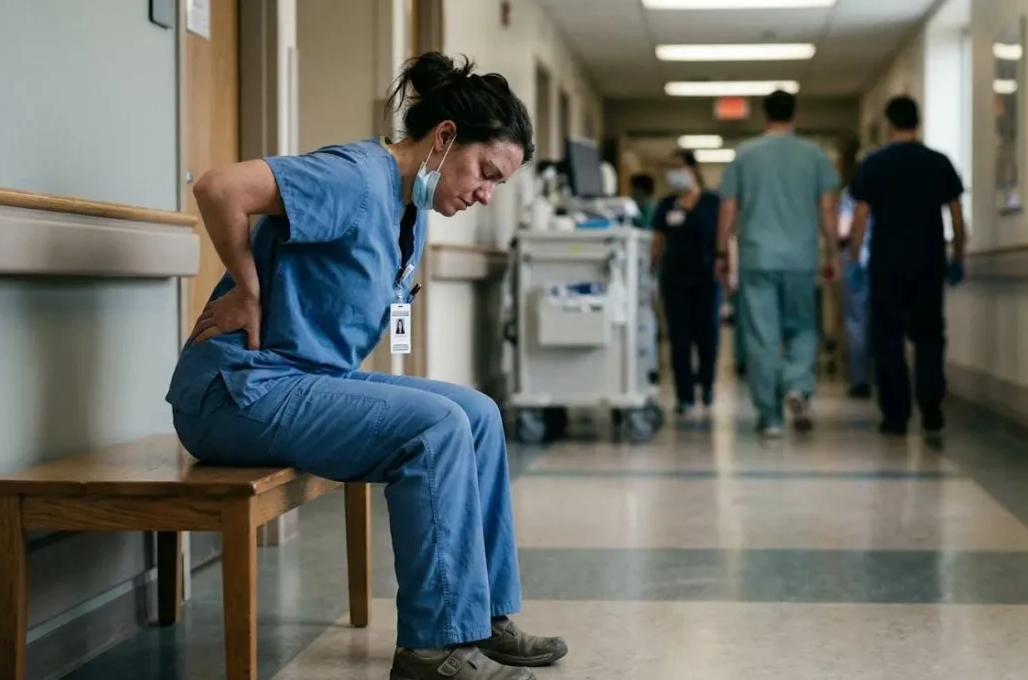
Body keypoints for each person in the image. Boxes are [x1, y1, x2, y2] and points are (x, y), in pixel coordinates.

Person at [165, 53, 567, 680]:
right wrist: (245, 288)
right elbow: (219, 188)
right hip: (237, 391)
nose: (485, 194)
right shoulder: (354, 177)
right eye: (486, 173)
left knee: (477, 413)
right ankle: (431, 648)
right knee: (435, 426)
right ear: (444, 137)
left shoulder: (411, 211)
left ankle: (482, 614)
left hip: (303, 381)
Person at [716, 90, 840, 437]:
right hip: (801, 257)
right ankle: (797, 385)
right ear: (795, 115)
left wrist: (722, 253)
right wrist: (832, 252)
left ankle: (770, 418)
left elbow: (728, 208)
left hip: (757, 256)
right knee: (803, 327)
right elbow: (827, 209)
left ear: (764, 115)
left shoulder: (745, 155)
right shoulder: (814, 155)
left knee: (762, 336)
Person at [848, 95, 966, 438]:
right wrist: (958, 256)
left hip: (886, 265)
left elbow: (860, 217)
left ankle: (895, 415)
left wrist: (855, 259)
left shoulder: (875, 165)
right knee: (929, 336)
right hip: (928, 263)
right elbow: (957, 216)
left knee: (888, 339)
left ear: (888, 124)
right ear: (918, 122)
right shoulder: (938, 163)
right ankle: (931, 406)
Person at [650, 150, 723, 418]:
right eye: (670, 169)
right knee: (679, 339)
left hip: (707, 278)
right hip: (675, 279)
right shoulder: (666, 205)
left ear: (693, 169)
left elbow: (724, 237)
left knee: (707, 336)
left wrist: (728, 267)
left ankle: (706, 384)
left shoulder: (713, 202)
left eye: (678, 167)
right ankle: (685, 396)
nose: (674, 174)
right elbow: (658, 241)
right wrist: (650, 272)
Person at [838, 186, 872, 398]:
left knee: (856, 323)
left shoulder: (851, 194)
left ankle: (860, 380)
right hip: (887, 262)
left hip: (857, 261)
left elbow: (843, 230)